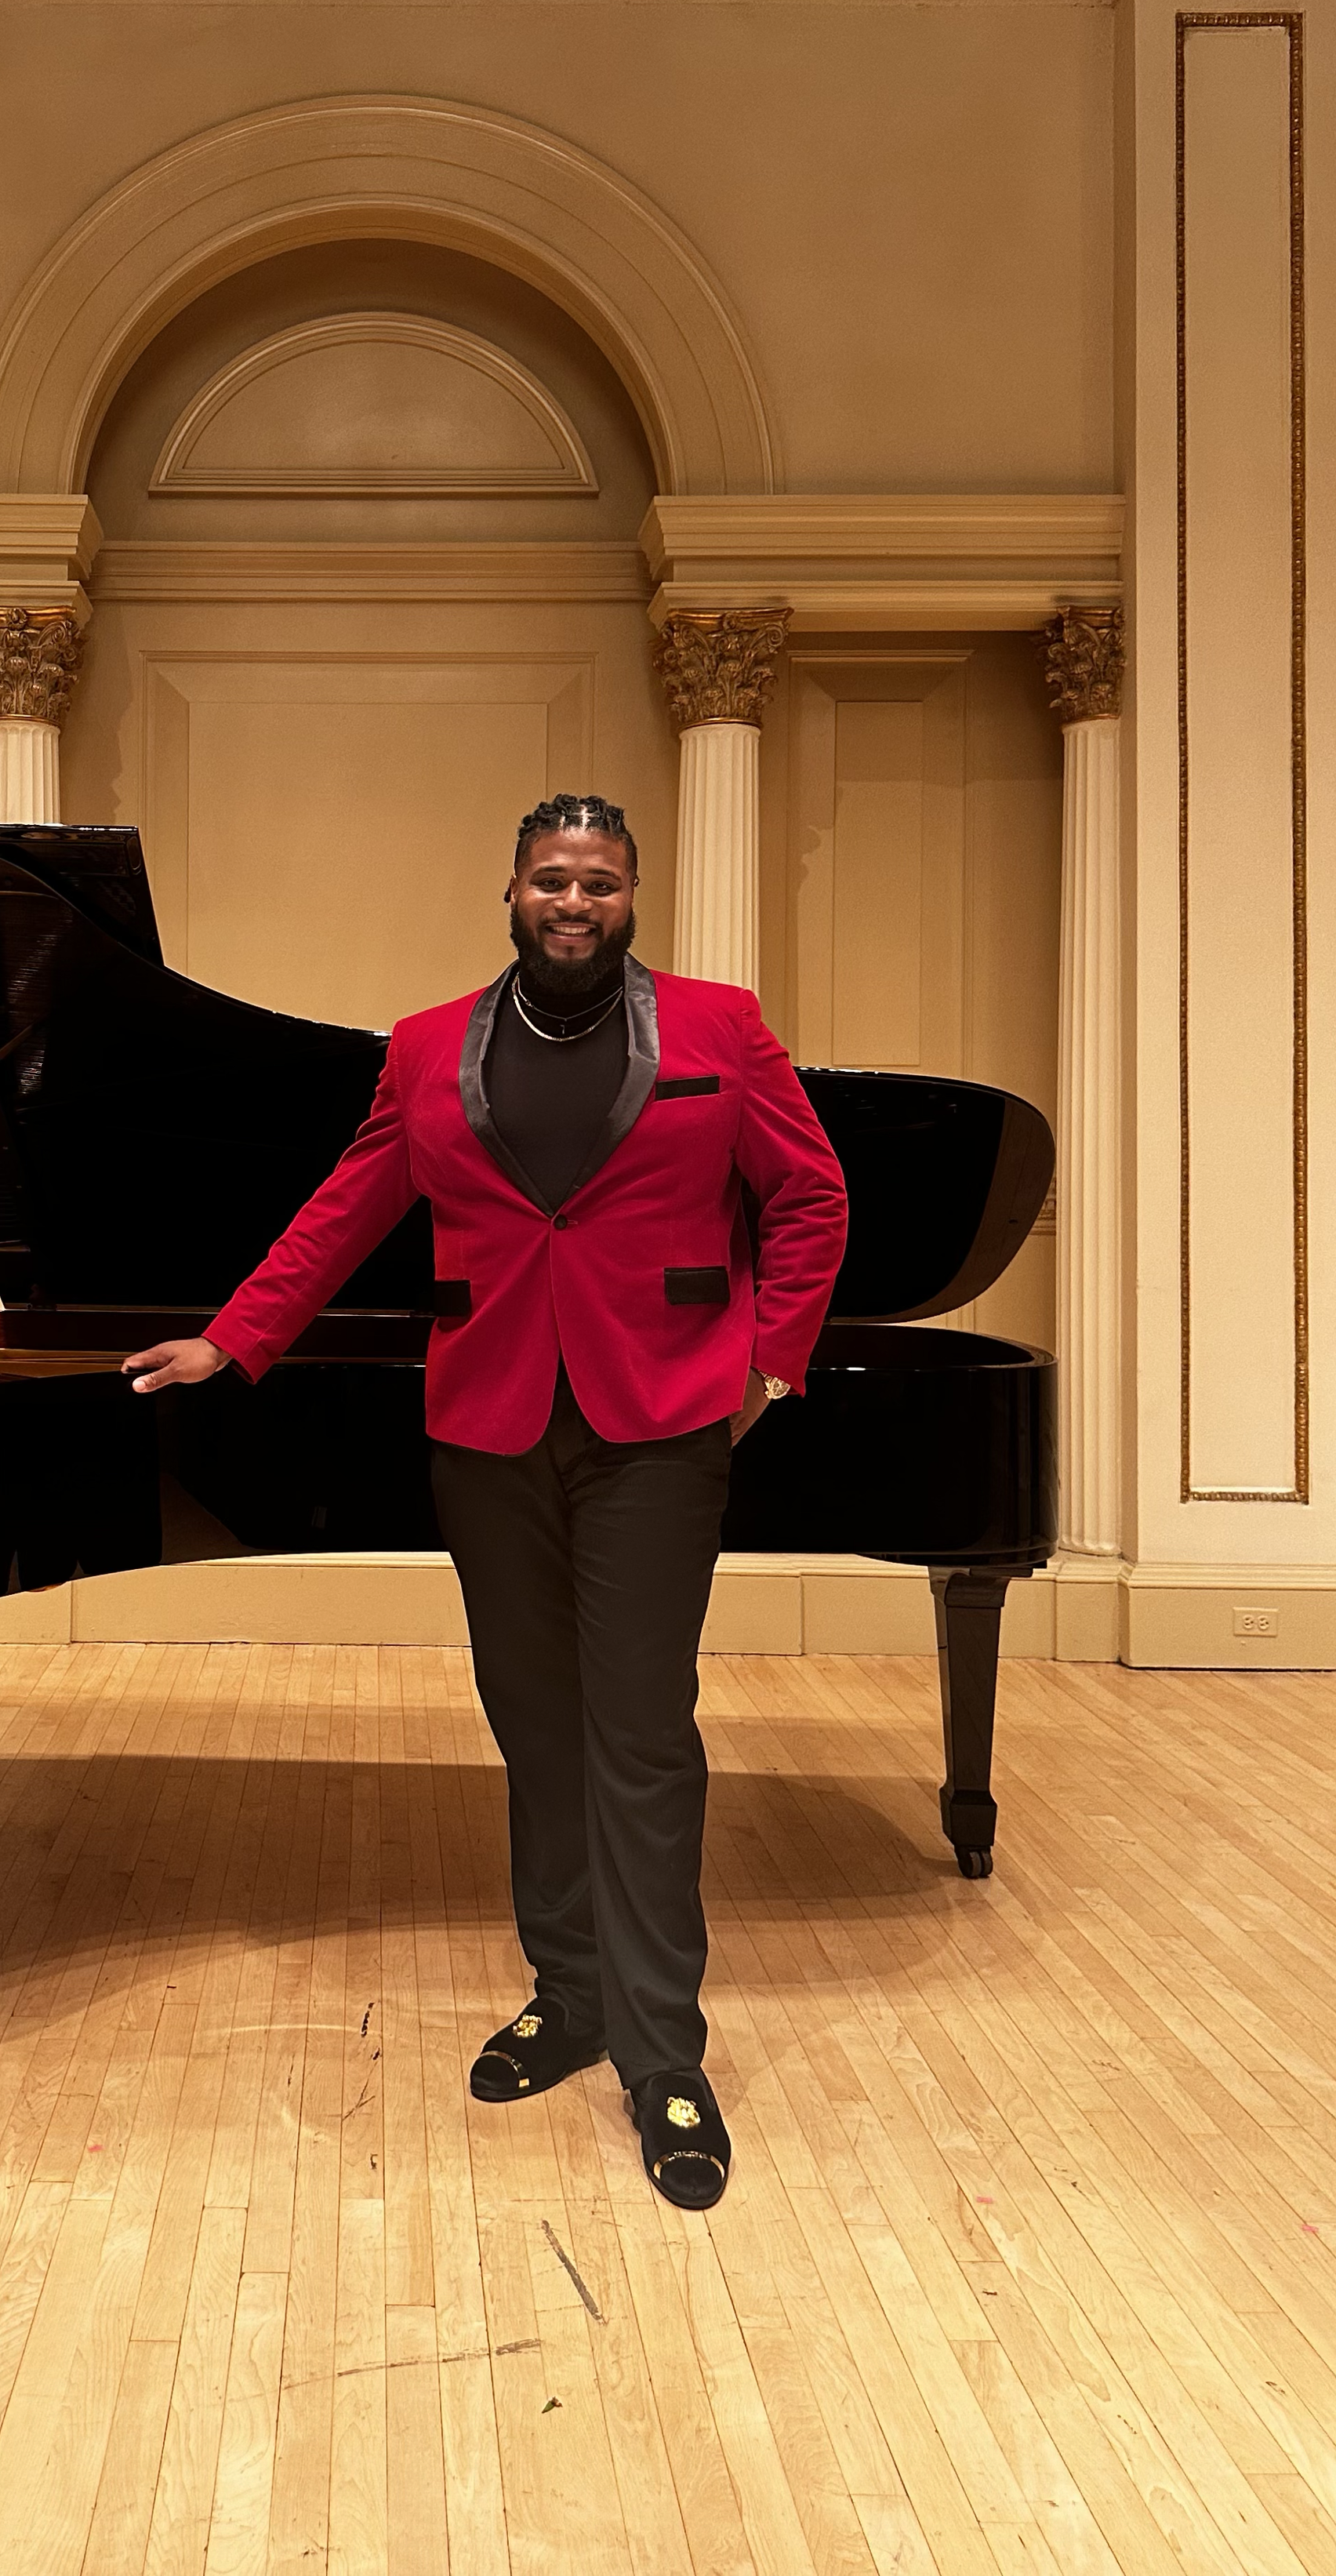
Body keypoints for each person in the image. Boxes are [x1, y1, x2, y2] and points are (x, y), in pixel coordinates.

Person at [123, 794, 848, 2209]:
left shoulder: (720, 1030)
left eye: (600, 883)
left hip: (661, 1425)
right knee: (532, 1721)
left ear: (632, 899)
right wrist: (238, 1335)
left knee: (638, 1732)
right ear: (509, 893)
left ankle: (663, 2054)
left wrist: (772, 1363)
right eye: (550, 880)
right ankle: (570, 1993)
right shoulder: (427, 1047)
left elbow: (811, 1193)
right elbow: (348, 1203)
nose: (574, 902)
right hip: (492, 1422)